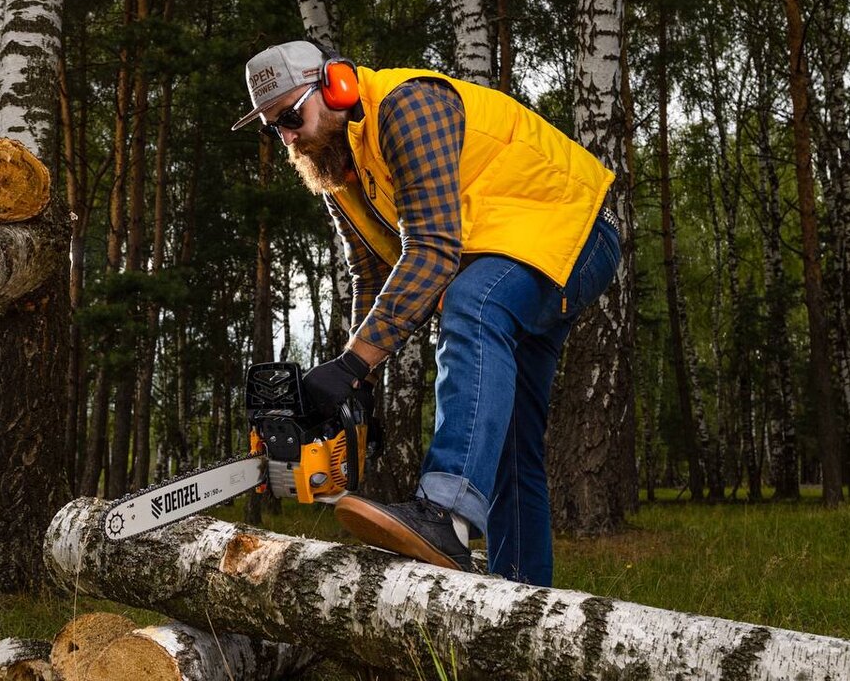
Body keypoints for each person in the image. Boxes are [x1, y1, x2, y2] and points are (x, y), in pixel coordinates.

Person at [231, 40, 620, 586]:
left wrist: (350, 365)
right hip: (514, 258)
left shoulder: (407, 107)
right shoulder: (339, 169)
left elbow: (434, 250)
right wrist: (356, 382)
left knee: (472, 302)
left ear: (336, 85)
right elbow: (371, 275)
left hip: (574, 232)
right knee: (506, 446)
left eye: (292, 117)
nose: (289, 137)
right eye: (276, 128)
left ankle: (445, 514)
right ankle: (523, 603)